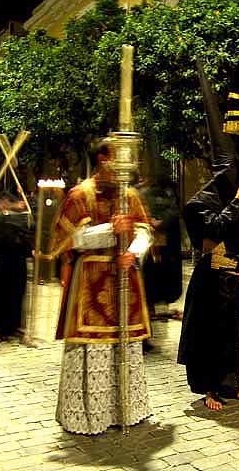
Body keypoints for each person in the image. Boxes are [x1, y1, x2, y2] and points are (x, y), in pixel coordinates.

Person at [177, 63, 239, 411]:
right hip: (213, 277)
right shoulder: (197, 203)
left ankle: (234, 385)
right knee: (211, 338)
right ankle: (211, 389)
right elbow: (212, 229)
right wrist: (237, 204)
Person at [50, 138, 154, 434]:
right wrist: (110, 230)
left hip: (125, 279)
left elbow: (144, 230)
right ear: (102, 159)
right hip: (89, 284)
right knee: (91, 351)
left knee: (126, 349)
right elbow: (67, 239)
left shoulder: (130, 195)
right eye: (116, 159)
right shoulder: (79, 194)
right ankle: (87, 416)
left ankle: (127, 411)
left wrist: (134, 251)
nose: (123, 166)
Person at [139, 174, 183, 321]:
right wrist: (149, 221)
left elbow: (174, 212)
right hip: (150, 240)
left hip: (166, 241)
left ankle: (163, 306)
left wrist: (160, 222)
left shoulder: (168, 193)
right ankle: (150, 307)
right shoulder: (143, 192)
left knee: (166, 273)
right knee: (151, 273)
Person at [0, 192, 34, 343]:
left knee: (16, 294)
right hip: (2, 262)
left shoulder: (17, 219)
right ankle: (0, 328)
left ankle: (12, 327)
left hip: (17, 262)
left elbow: (25, 236)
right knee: (1, 295)